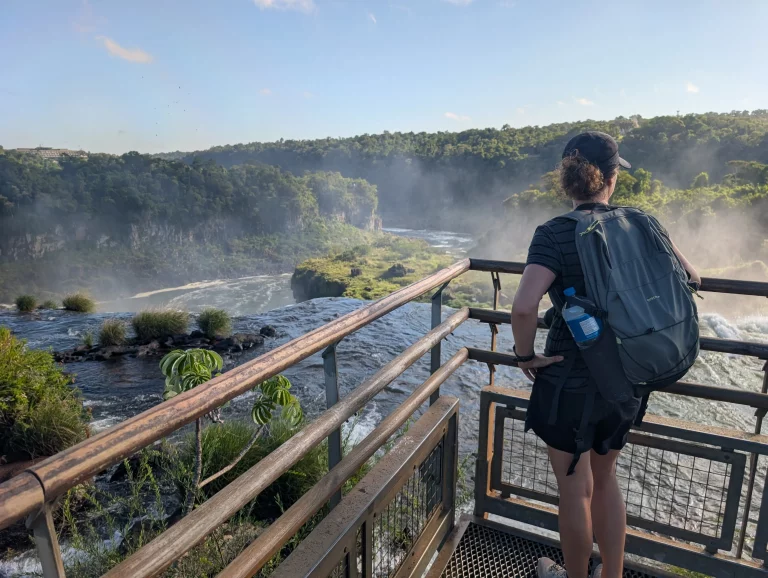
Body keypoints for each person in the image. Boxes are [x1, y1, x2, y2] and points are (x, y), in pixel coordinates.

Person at [510, 131, 701, 578]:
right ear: (612, 178)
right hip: (627, 378)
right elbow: (692, 279)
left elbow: (523, 307)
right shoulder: (643, 222)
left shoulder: (554, 233)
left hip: (567, 377)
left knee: (574, 489)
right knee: (607, 480)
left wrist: (525, 357)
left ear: (567, 180)